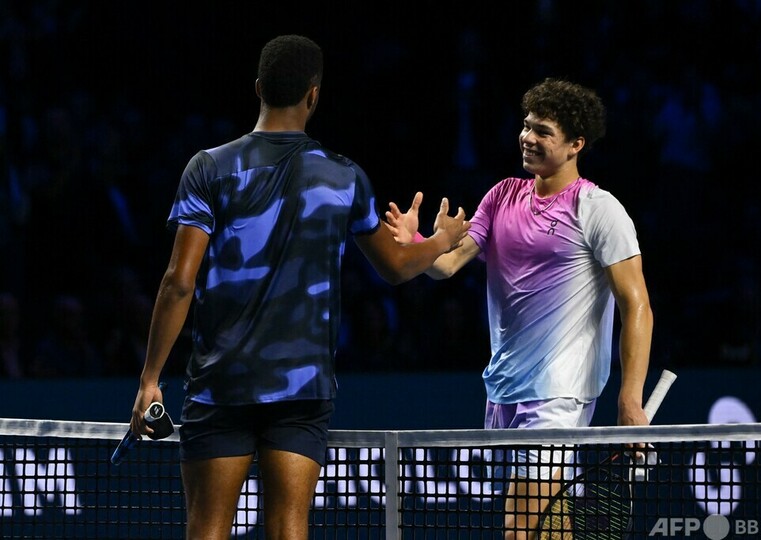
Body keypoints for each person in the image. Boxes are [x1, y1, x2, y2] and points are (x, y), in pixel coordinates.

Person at [127, 35, 469, 540]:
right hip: (302, 388)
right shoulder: (344, 176)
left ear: (258, 88)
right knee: (290, 528)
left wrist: (150, 378)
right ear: (314, 95)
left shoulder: (209, 168)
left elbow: (179, 282)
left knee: (206, 531)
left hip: (222, 384)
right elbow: (397, 268)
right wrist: (441, 239)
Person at [385, 77, 653, 538]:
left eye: (543, 131)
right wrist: (419, 243)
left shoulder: (598, 209)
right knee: (545, 525)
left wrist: (630, 398)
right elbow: (447, 265)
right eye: (527, 126)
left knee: (520, 525)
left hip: (560, 390)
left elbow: (637, 304)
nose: (527, 137)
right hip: (504, 388)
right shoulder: (501, 195)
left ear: (576, 144)